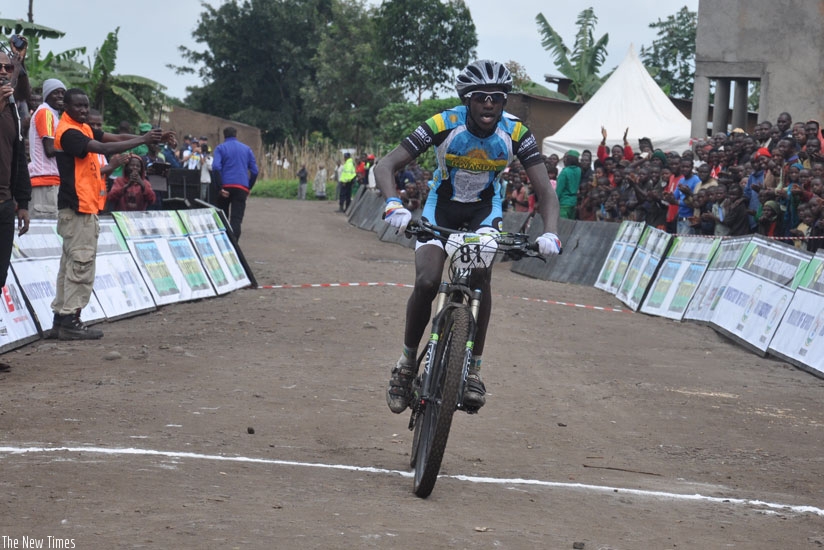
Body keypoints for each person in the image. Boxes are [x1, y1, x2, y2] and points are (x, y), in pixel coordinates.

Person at [374, 60, 562, 414]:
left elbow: (546, 192)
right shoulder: (444, 123)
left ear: (504, 101)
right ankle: (406, 364)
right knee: (428, 281)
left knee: (479, 279)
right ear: (467, 100)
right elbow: (385, 165)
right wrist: (394, 204)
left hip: (483, 212)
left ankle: (473, 368)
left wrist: (550, 232)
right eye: (480, 97)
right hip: (438, 208)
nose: (489, 104)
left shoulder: (517, 133)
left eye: (496, 97)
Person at [51, 88, 166, 340]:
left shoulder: (83, 127)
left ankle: (61, 319)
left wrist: (148, 136)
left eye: (86, 105)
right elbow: (103, 147)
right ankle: (70, 319)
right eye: (78, 106)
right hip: (77, 206)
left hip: (84, 206)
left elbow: (114, 137)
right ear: (65, 107)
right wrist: (143, 140)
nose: (83, 110)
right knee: (81, 263)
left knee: (70, 264)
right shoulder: (68, 132)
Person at [0, 49, 32, 367]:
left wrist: (22, 202)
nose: (3, 72)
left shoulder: (13, 109)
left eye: (7, 67)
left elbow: (19, 160)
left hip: (5, 207)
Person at [27, 78, 66, 219]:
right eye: (56, 92)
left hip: (51, 181)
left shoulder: (53, 115)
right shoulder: (45, 113)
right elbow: (50, 150)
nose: (61, 96)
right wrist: (74, 149)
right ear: (47, 95)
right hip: (44, 182)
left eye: (63, 93)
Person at [213, 126, 258, 240]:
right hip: (241, 186)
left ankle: (223, 241)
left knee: (222, 216)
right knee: (236, 219)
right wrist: (248, 187)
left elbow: (216, 167)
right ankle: (234, 243)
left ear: (224, 136)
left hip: (226, 186)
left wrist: (219, 187)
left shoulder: (220, 148)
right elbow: (254, 171)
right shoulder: (247, 149)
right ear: (236, 135)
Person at [556, 150, 582, 219]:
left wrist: (555, 201)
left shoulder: (565, 172)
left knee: (563, 226)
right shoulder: (579, 170)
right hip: (573, 202)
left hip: (564, 202)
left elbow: (559, 189)